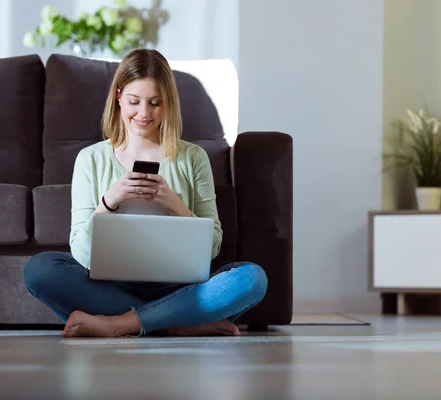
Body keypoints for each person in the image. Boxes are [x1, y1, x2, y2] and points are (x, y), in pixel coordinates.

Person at [24, 49, 268, 338]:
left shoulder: (193, 157)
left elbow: (212, 247)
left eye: (155, 103)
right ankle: (178, 322)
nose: (144, 113)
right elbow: (80, 251)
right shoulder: (90, 159)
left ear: (169, 104)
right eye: (134, 101)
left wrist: (176, 206)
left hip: (179, 287)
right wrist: (108, 202)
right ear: (118, 96)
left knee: (251, 279)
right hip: (111, 285)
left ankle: (120, 324)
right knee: (40, 270)